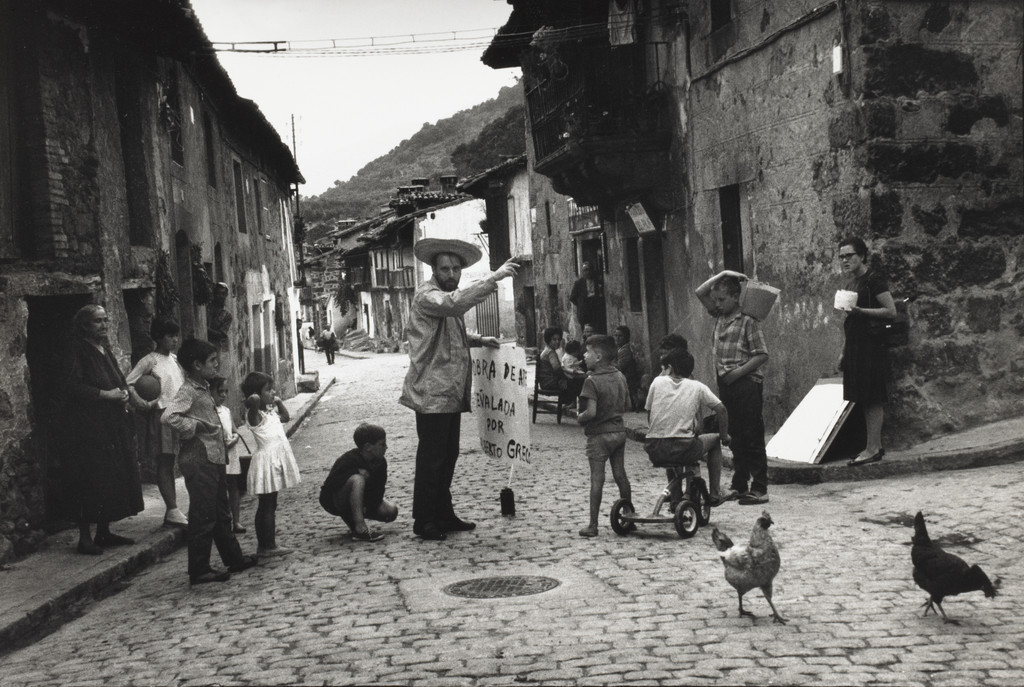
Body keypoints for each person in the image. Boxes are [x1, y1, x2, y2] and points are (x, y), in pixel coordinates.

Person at [399, 237, 519, 541]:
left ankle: (443, 513)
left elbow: (450, 335)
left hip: (450, 392)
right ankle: (424, 519)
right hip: (431, 392)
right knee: (431, 458)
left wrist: (478, 340)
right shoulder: (429, 296)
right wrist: (494, 276)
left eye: (455, 269)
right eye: (445, 269)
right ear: (433, 269)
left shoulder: (444, 298)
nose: (452, 274)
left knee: (448, 454)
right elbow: (453, 305)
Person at [162, 339, 257, 584]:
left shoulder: (203, 387)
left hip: (212, 457)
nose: (217, 365)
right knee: (203, 516)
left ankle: (233, 558)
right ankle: (199, 569)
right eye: (212, 361)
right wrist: (196, 425)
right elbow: (169, 416)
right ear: (196, 364)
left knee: (220, 513)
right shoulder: (189, 391)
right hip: (198, 459)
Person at [62, 305, 144, 555]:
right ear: (85, 325)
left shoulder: (104, 349)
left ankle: (104, 532)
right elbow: (72, 387)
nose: (104, 325)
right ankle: (85, 538)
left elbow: (118, 378)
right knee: (90, 479)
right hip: (89, 429)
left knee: (111, 477)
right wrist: (105, 394)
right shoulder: (76, 351)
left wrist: (124, 393)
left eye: (106, 321)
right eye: (98, 321)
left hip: (112, 427)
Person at [696, 270, 770, 505]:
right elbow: (700, 292)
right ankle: (740, 483)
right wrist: (724, 274)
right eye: (715, 300)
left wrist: (737, 373)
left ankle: (760, 487)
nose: (716, 304)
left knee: (752, 434)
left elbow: (761, 355)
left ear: (736, 298)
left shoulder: (748, 321)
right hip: (726, 383)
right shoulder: (719, 317)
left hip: (746, 383)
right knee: (734, 435)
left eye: (722, 299)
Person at [836, 236, 897, 466]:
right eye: (841, 257)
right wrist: (843, 351)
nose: (845, 260)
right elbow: (849, 322)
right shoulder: (852, 284)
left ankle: (873, 448)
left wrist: (862, 311)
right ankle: (872, 446)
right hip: (856, 346)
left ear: (861, 256)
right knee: (862, 397)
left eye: (849, 255)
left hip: (871, 345)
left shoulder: (873, 280)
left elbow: (891, 312)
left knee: (872, 398)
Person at [644, 347, 730, 508]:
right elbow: (722, 410)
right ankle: (714, 493)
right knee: (715, 440)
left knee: (672, 453)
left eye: (663, 368)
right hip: (684, 448)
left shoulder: (657, 382)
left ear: (669, 367)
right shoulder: (697, 386)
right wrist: (725, 435)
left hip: (655, 448)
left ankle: (676, 498)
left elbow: (650, 414)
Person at [126, 316, 188, 529]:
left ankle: (178, 508)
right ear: (159, 337)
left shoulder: (175, 359)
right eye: (170, 336)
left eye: (176, 336)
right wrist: (143, 403)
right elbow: (128, 383)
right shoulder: (149, 360)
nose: (174, 340)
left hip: (180, 415)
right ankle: (172, 509)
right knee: (166, 462)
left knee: (182, 460)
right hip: (162, 416)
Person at [576, 334, 632, 538]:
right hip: (618, 432)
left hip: (599, 436)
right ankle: (629, 514)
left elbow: (590, 413)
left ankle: (593, 525)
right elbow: (628, 405)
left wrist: (579, 417)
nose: (584, 355)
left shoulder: (591, 381)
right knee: (620, 475)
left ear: (598, 356)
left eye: (587, 352)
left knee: (597, 479)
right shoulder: (620, 376)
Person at [242, 371, 301, 556]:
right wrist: (254, 401)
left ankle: (268, 544)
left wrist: (277, 401)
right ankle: (266, 546)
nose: (273, 391)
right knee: (266, 505)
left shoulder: (270, 412)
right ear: (257, 395)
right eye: (269, 390)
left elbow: (286, 417)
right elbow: (252, 407)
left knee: (270, 504)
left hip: (275, 459)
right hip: (267, 462)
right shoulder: (255, 415)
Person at [319, 423, 399, 542]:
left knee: (391, 512)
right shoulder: (348, 460)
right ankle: (360, 528)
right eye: (382, 444)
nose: (386, 447)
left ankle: (354, 517)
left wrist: (369, 506)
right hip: (334, 501)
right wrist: (355, 472)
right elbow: (330, 485)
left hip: (362, 501)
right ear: (368, 447)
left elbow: (379, 489)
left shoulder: (380, 462)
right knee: (358, 479)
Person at [212, 376, 245, 533]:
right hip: (218, 454)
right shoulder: (210, 412)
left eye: (226, 391)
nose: (223, 395)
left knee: (233, 487)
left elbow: (235, 430)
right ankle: (223, 521)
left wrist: (236, 438)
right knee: (220, 488)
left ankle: (236, 521)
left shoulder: (226, 411)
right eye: (220, 392)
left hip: (231, 452)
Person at [536, 326, 585, 405]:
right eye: (554, 339)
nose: (557, 342)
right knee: (578, 381)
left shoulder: (547, 350)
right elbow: (557, 369)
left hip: (546, 382)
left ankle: (570, 402)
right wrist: (564, 379)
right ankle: (573, 403)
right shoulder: (550, 352)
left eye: (559, 339)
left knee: (573, 380)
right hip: (549, 382)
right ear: (548, 340)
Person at [569, 262, 605, 335]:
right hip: (584, 311)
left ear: (592, 270)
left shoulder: (597, 280)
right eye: (585, 270)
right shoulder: (579, 283)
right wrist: (581, 304)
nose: (587, 272)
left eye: (589, 270)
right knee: (586, 332)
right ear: (583, 272)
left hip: (595, 309)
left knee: (597, 331)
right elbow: (572, 297)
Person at [613, 325, 642, 410]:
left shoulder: (625, 351)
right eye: (616, 335)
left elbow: (619, 367)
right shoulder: (619, 349)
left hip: (628, 379)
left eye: (620, 336)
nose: (617, 338)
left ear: (626, 337)